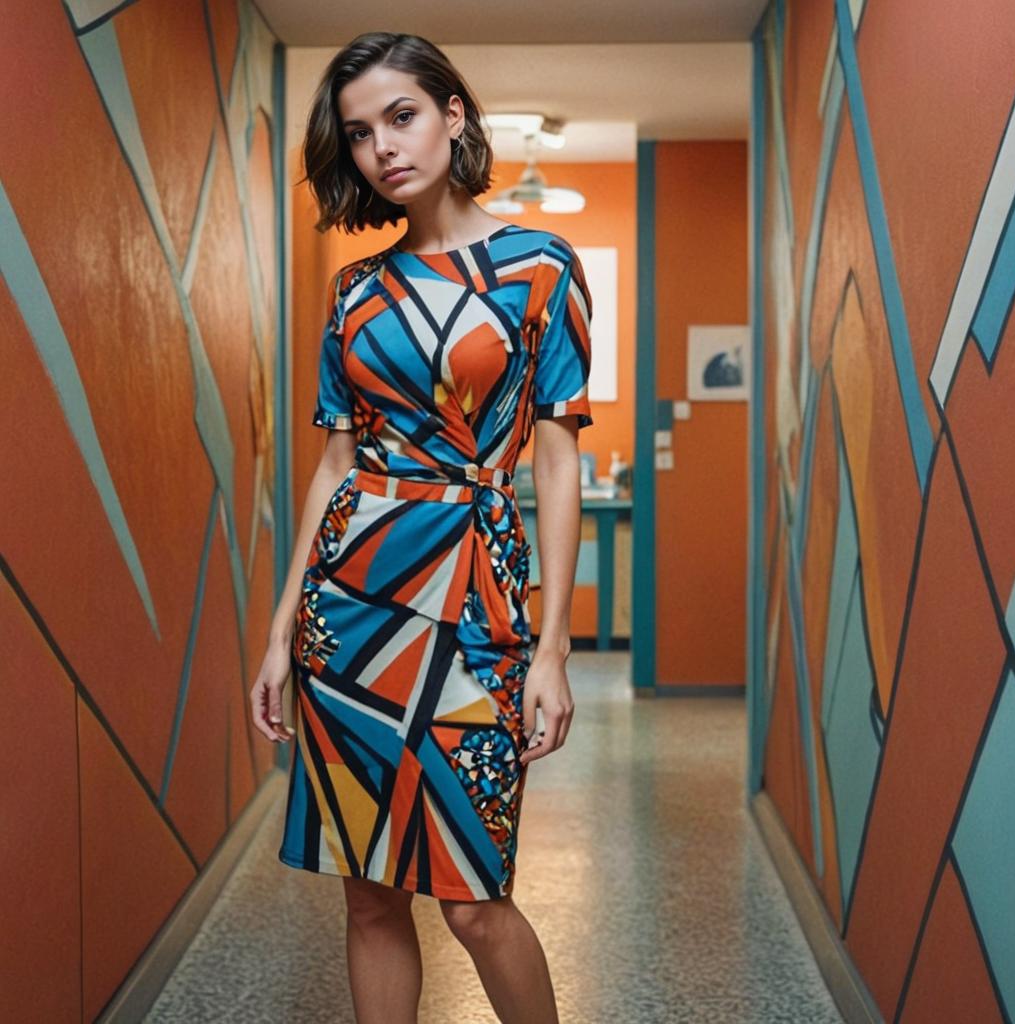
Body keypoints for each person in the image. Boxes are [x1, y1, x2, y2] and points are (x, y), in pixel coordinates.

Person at [249, 30, 594, 1024]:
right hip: (347, 615)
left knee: (476, 903)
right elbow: (334, 462)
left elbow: (559, 453)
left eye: (400, 117)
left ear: (453, 113)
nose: (382, 149)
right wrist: (279, 635)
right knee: (367, 891)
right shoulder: (356, 293)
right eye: (358, 134)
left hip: (475, 601)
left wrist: (553, 645)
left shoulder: (539, 266)